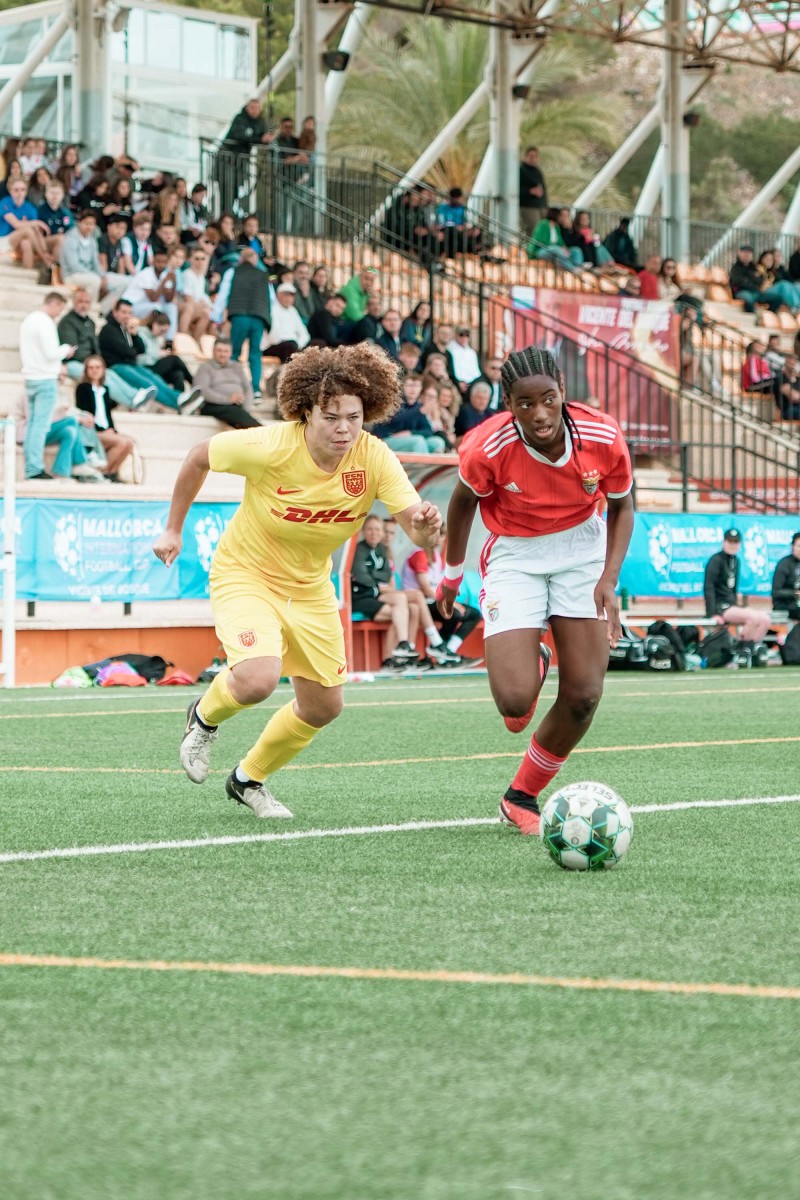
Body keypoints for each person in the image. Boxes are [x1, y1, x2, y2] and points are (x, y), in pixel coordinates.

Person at [152, 343, 443, 819]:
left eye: (354, 417)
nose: (344, 428)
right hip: (247, 574)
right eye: (331, 417)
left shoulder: (373, 457)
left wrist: (427, 529)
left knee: (324, 706)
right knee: (258, 678)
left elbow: (415, 525)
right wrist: (172, 529)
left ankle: (248, 779)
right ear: (306, 411)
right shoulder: (270, 445)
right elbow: (198, 456)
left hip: (310, 589)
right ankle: (203, 717)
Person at [436, 346, 634, 836]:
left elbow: (623, 506)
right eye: (525, 404)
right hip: (515, 555)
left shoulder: (602, 435)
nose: (540, 414)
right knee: (513, 702)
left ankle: (520, 796)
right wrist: (452, 574)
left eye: (548, 399)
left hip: (582, 551)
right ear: (508, 404)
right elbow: (461, 505)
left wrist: (608, 579)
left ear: (563, 390)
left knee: (584, 695)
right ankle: (536, 660)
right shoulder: (487, 446)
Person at [98, 299, 202, 413]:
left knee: (156, 379)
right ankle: (178, 404)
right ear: (115, 312)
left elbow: (141, 349)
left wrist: (134, 335)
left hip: (130, 365)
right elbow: (128, 352)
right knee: (148, 384)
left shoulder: (124, 329)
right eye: (124, 312)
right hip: (117, 367)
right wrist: (133, 351)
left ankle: (179, 398)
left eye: (129, 313)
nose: (127, 316)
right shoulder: (108, 329)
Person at [58, 288, 154, 410]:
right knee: (101, 377)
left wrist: (98, 361)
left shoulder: (90, 322)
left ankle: (134, 396)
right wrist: (92, 362)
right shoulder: (67, 322)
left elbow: (95, 347)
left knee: (110, 374)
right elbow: (72, 349)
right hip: (72, 363)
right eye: (80, 301)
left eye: (87, 302)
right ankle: (132, 402)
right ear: (74, 302)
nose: (84, 305)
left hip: (88, 362)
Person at [402, 527, 481, 666]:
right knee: (452, 612)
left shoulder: (436, 556)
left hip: (433, 601)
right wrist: (451, 602)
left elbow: (438, 585)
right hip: (420, 603)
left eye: (442, 535)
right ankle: (440, 650)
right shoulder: (419, 554)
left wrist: (450, 599)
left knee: (474, 614)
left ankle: (448, 651)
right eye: (435, 535)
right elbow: (426, 589)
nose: (439, 539)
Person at [350, 514, 420, 666]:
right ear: (363, 531)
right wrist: (375, 577)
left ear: (381, 532)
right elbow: (361, 577)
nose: (374, 533)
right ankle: (394, 656)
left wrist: (371, 574)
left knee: (401, 604)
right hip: (360, 598)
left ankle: (399, 649)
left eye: (377, 529)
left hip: (375, 595)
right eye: (370, 529)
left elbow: (387, 575)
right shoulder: (358, 550)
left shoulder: (382, 549)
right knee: (400, 613)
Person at [19, 292, 74, 479]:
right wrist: (66, 349)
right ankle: (34, 467)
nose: (59, 313)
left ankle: (32, 466)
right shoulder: (45, 322)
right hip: (44, 377)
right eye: (60, 308)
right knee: (40, 425)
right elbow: (51, 353)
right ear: (55, 303)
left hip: (31, 377)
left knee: (33, 424)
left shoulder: (28, 320)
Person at [210, 247, 271, 397]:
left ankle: (232, 385)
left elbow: (223, 295)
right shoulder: (263, 274)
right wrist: (269, 321)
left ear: (240, 259)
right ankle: (256, 389)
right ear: (255, 260)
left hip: (240, 316)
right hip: (259, 318)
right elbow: (272, 300)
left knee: (234, 352)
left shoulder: (233, 272)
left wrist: (215, 318)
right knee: (255, 354)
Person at [703, 529, 772, 647]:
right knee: (752, 618)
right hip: (721, 606)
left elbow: (733, 588)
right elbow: (709, 587)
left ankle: (751, 648)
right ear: (724, 542)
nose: (733, 545)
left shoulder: (736, 560)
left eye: (736, 542)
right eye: (730, 542)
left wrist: (735, 603)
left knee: (765, 619)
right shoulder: (716, 560)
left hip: (732, 605)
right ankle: (741, 648)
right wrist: (712, 613)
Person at [74, 354, 136, 481]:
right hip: (92, 432)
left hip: (106, 430)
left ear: (103, 370)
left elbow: (107, 415)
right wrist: (103, 430)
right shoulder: (83, 388)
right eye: (91, 368)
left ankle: (111, 473)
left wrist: (112, 430)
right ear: (86, 370)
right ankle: (103, 473)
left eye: (98, 367)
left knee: (130, 442)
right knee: (122, 442)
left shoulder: (105, 390)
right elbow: (86, 414)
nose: (94, 370)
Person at [193, 337, 261, 429]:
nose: (222, 354)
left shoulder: (237, 367)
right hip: (212, 405)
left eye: (226, 351)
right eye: (219, 351)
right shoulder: (205, 368)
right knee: (236, 412)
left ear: (230, 353)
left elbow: (248, 388)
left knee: (237, 413)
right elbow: (202, 390)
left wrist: (246, 409)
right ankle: (262, 431)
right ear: (213, 351)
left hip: (236, 407)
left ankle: (257, 431)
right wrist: (227, 399)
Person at [0, 179, 52, 271]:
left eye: (22, 189)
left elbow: (37, 231)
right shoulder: (5, 203)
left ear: (26, 191)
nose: (19, 193)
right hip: (4, 240)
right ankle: (44, 259)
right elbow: (16, 224)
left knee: (26, 243)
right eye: (16, 190)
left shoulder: (30, 208)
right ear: (10, 191)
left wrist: (44, 249)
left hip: (20, 242)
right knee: (27, 230)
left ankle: (28, 272)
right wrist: (37, 222)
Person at [60, 210, 104, 301]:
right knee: (94, 281)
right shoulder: (71, 239)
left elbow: (95, 262)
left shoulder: (92, 240)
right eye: (86, 223)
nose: (89, 227)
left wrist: (102, 275)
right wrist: (92, 274)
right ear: (79, 223)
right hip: (71, 275)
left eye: (92, 224)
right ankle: (90, 306)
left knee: (106, 281)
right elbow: (73, 265)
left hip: (88, 274)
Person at [264, 282, 310, 361]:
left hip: (293, 345)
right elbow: (274, 336)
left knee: (316, 344)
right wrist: (293, 342)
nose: (289, 298)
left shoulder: (293, 310)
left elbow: (304, 334)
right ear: (278, 295)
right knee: (290, 346)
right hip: (273, 346)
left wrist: (298, 344)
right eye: (286, 295)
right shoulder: (272, 309)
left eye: (291, 296)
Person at [518, 147, 547, 238]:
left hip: (540, 206)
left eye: (535, 156)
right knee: (534, 230)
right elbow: (515, 188)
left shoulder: (537, 171)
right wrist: (529, 191)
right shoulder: (521, 170)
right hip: (528, 206)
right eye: (531, 156)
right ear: (525, 157)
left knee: (543, 230)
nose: (533, 159)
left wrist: (545, 205)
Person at [454, 379, 493, 445]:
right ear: (472, 397)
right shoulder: (466, 410)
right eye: (480, 398)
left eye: (485, 399)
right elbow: (471, 432)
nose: (483, 402)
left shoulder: (489, 412)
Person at [771, 532, 800, 620]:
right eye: (799, 546)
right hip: (785, 605)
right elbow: (776, 592)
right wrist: (795, 593)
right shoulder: (784, 564)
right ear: (792, 547)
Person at [446, 326, 481, 393]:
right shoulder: (449, 351)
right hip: (456, 385)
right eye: (461, 335)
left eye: (467, 335)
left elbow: (476, 371)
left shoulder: (472, 352)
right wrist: (458, 383)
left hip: (472, 385)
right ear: (456, 335)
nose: (464, 338)